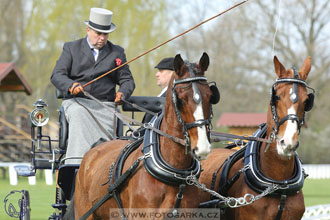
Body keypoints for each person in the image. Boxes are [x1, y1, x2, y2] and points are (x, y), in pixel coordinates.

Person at [51, 8, 135, 164]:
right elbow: (57, 75)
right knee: (78, 113)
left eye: (106, 34)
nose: (102, 38)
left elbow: (127, 80)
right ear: (88, 30)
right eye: (98, 33)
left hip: (106, 106)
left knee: (114, 117)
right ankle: (77, 163)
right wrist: (71, 85)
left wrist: (123, 93)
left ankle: (107, 165)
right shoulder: (71, 48)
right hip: (77, 102)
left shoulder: (117, 52)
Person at [141, 57, 174, 125]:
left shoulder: (172, 95)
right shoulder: (165, 93)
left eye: (161, 71)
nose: (157, 74)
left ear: (173, 74)